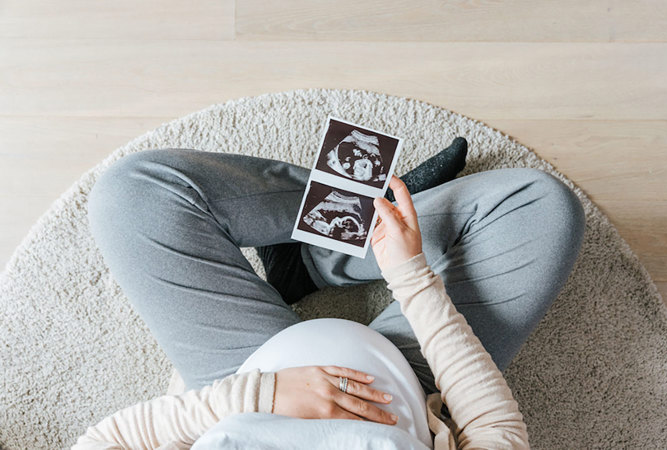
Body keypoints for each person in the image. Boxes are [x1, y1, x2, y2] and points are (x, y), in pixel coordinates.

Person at [73, 141, 585, 449]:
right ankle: (338, 240)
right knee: (540, 207)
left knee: (133, 194)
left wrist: (261, 394)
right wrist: (410, 276)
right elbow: (494, 431)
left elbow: (102, 442)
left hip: (241, 373)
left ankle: (337, 231)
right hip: (410, 374)